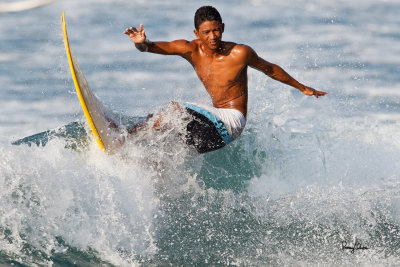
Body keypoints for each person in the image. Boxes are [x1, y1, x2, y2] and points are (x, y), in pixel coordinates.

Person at [124, 6, 327, 153]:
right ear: (197, 33)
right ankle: (136, 154)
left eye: (216, 30)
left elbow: (270, 69)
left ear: (223, 27)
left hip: (232, 121)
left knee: (174, 109)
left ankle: (125, 141)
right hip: (211, 126)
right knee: (165, 130)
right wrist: (141, 42)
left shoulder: (240, 52)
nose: (213, 36)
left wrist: (302, 88)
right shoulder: (190, 49)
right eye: (206, 32)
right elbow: (149, 47)